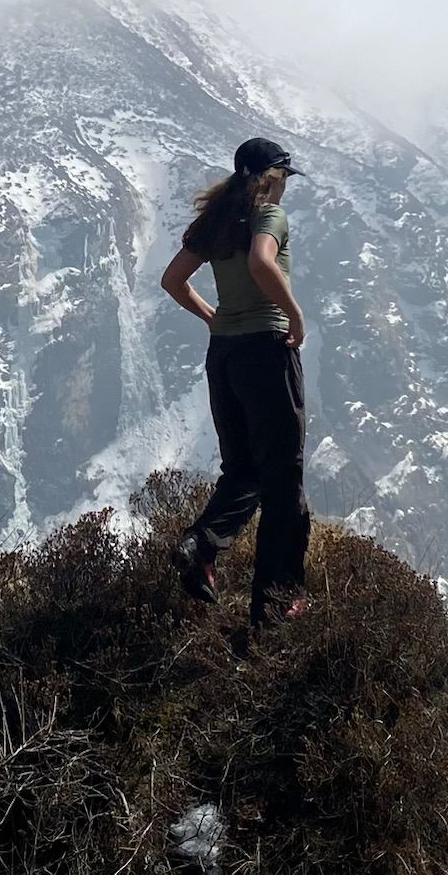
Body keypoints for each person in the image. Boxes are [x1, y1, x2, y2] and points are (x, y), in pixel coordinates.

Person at [159, 135, 311, 629]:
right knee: (283, 478)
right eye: (284, 178)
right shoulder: (269, 216)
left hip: (224, 357)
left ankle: (200, 545)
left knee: (243, 470)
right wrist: (294, 315)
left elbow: (172, 280)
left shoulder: (217, 221)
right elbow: (261, 262)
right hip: (267, 351)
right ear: (271, 177)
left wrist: (213, 317)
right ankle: (277, 601)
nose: (285, 188)